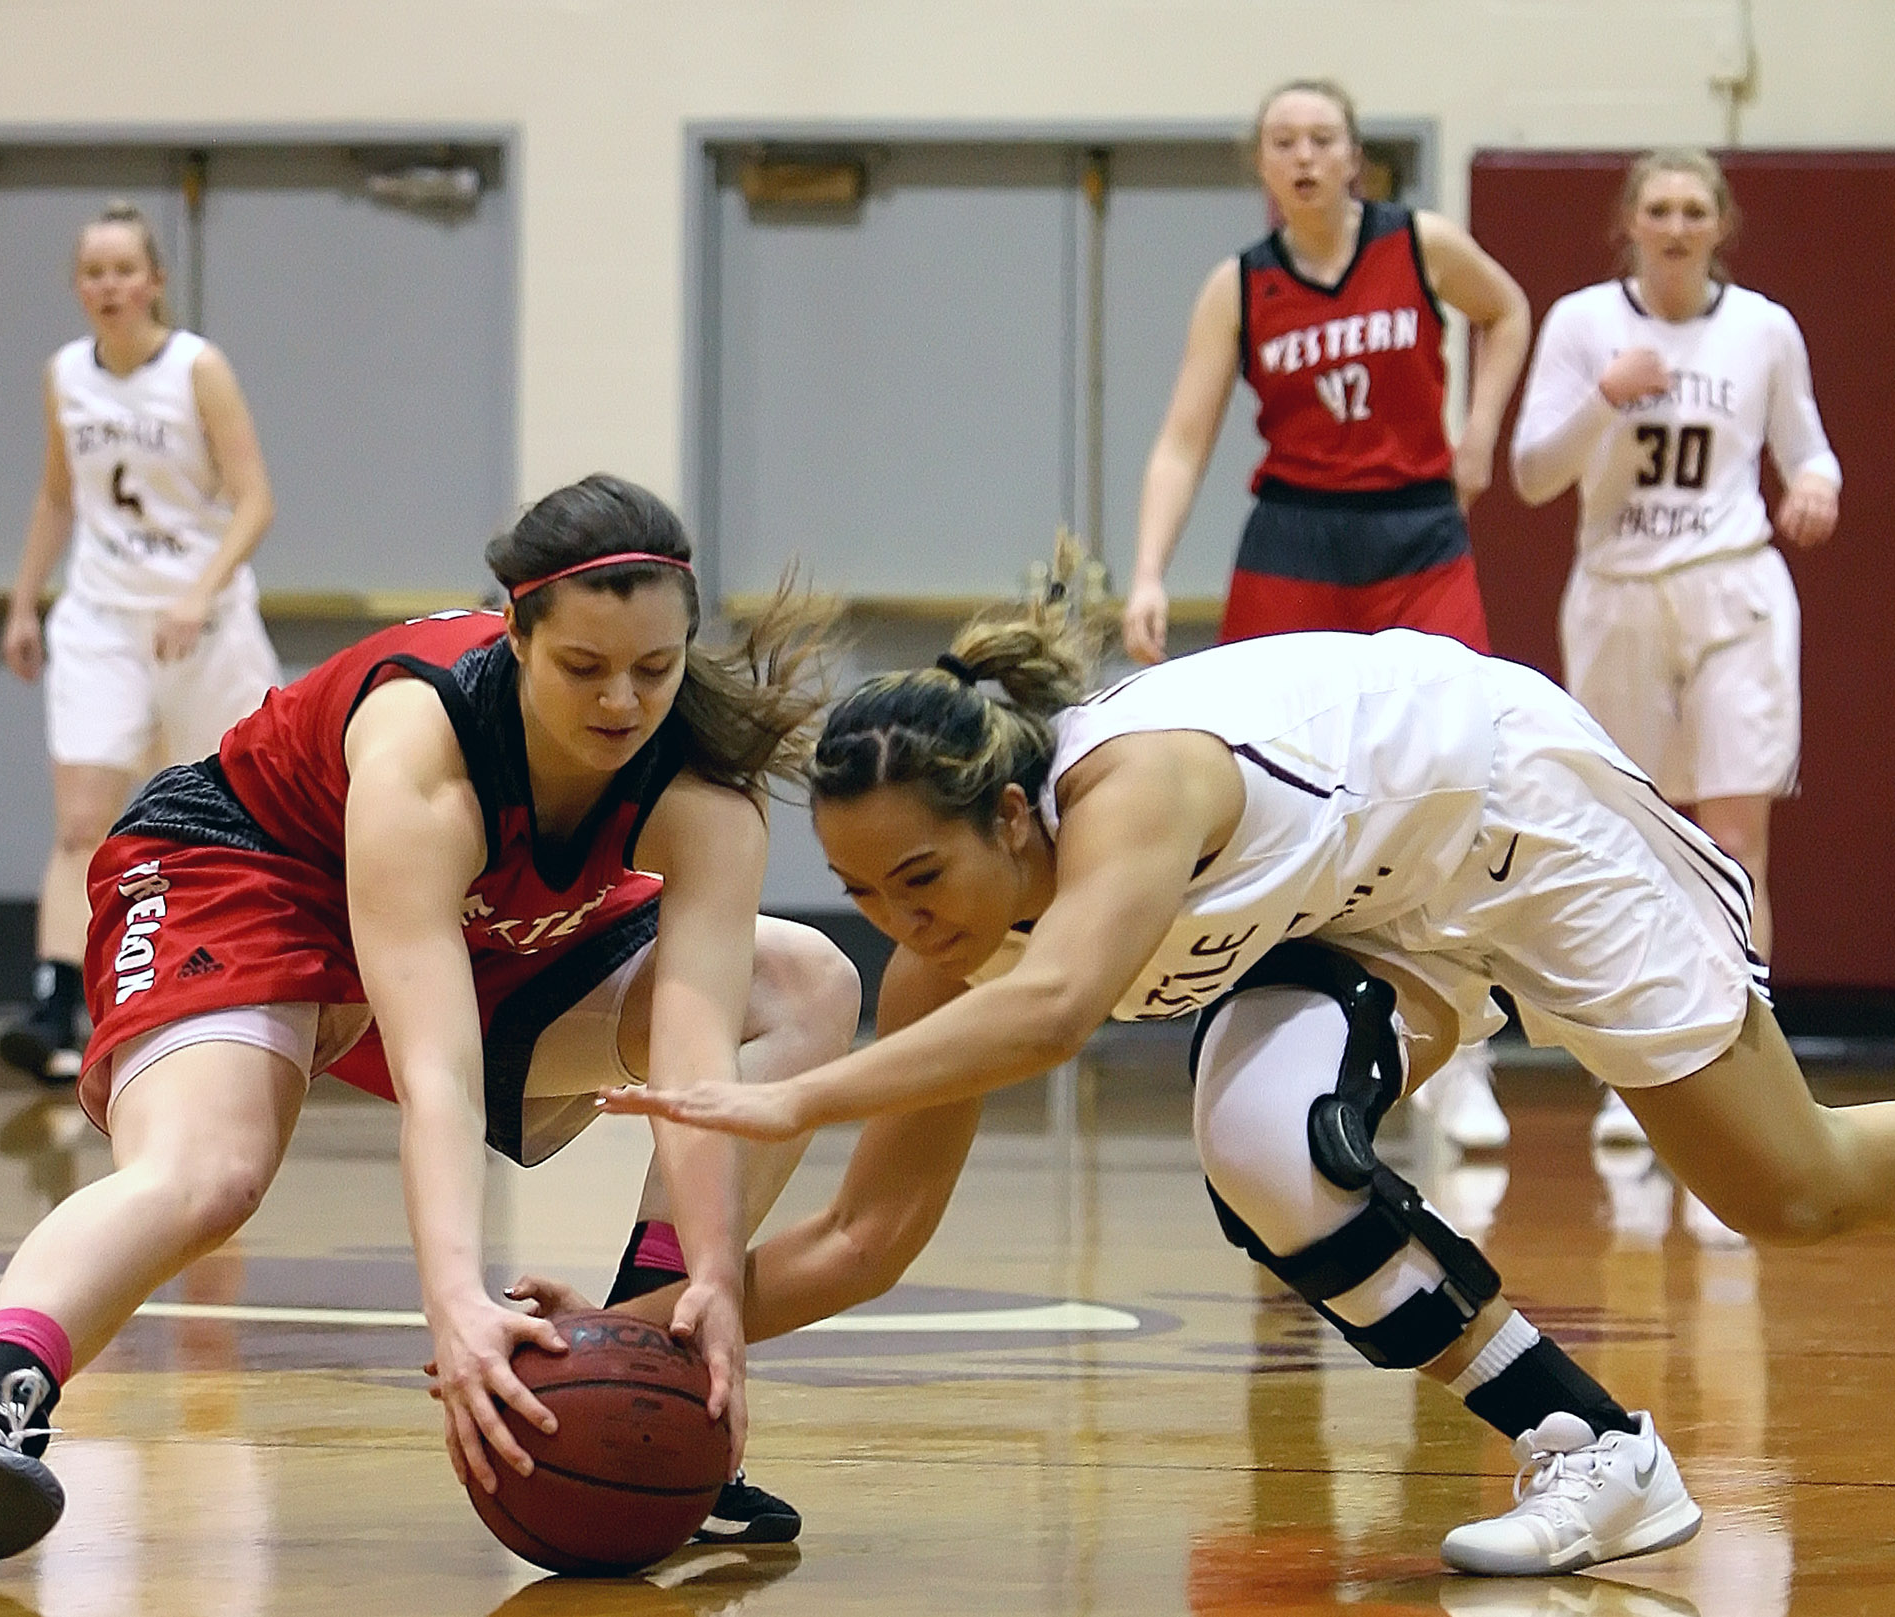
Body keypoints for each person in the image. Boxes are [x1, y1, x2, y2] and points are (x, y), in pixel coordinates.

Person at [592, 550, 1895, 1579]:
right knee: (1269, 1142)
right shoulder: (950, 957)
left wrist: (795, 1090)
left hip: (1510, 814)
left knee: (1794, 1187)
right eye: (866, 895)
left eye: (923, 877)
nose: (902, 925)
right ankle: (1597, 1451)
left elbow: (1056, 1015)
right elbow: (868, 1238)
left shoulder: (1132, 790)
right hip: (1354, 912)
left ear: (1009, 813)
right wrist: (619, 1338)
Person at [0, 474, 859, 1562]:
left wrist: (715, 1293)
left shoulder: (705, 793)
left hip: (482, 926)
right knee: (209, 1174)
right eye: (583, 669)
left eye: (655, 669)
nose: (621, 705)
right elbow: (439, 1076)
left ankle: (644, 1377)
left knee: (804, 988)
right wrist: (453, 1302)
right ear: (514, 632)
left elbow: (694, 1078)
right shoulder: (426, 742)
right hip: (246, 870)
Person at [1121, 79, 1533, 1153]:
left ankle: (1468, 1058)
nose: (1303, 156)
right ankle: (1273, 1031)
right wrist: (1149, 572)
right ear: (1260, 164)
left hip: (1417, 533)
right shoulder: (1241, 286)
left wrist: (1482, 431)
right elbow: (1182, 438)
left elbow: (1507, 309)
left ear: (1357, 156)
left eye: (1322, 138)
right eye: (1282, 141)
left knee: (1465, 773)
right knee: (1267, 786)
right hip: (1295, 540)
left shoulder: (1421, 244)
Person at [1510, 147, 1840, 1149]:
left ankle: (1751, 1079)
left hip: (1734, 588)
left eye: (1696, 208)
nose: (1678, 224)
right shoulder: (1582, 323)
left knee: (1735, 843)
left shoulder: (1763, 329)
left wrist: (1818, 484)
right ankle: (1641, 1075)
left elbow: (1809, 445)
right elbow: (1529, 475)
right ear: (1630, 223)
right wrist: (1605, 396)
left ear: (1720, 225)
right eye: (1659, 207)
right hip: (1617, 596)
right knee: (1634, 846)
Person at [0, 202, 283, 1084]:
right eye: (94, 271)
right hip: (102, 617)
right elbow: (57, 497)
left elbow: (255, 500)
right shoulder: (63, 375)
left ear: (156, 280)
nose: (109, 286)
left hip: (204, 620)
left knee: (236, 811)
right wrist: (22, 604)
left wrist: (199, 592)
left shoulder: (199, 368)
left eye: (125, 269)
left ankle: (245, 986)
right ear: (76, 285)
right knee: (82, 817)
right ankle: (54, 1003)